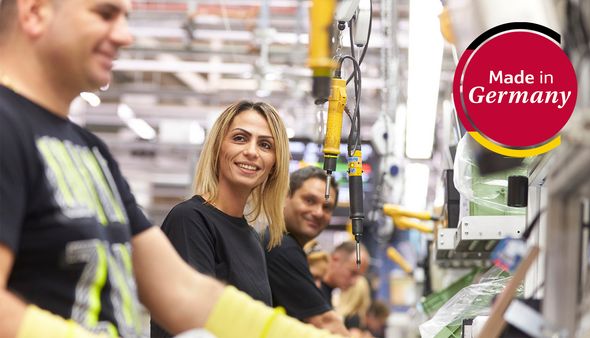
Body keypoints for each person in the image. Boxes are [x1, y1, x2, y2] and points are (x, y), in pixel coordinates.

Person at [0, 0, 343, 337]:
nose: (124, 36)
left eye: (125, 18)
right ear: (35, 12)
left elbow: (181, 290)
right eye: (104, 13)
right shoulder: (7, 127)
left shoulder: (90, 151)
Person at [150, 100, 290, 338]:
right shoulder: (190, 220)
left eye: (265, 145)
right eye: (239, 138)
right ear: (218, 147)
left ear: (275, 164)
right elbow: (192, 325)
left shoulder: (252, 239)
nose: (252, 152)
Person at [264, 166, 349, 335]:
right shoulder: (280, 245)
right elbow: (326, 323)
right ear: (285, 196)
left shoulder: (284, 243)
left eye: (327, 207)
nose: (318, 212)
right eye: (309, 200)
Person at [320, 241, 370, 307]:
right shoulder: (312, 289)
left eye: (359, 276)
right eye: (353, 273)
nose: (354, 282)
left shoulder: (325, 296)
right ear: (335, 260)